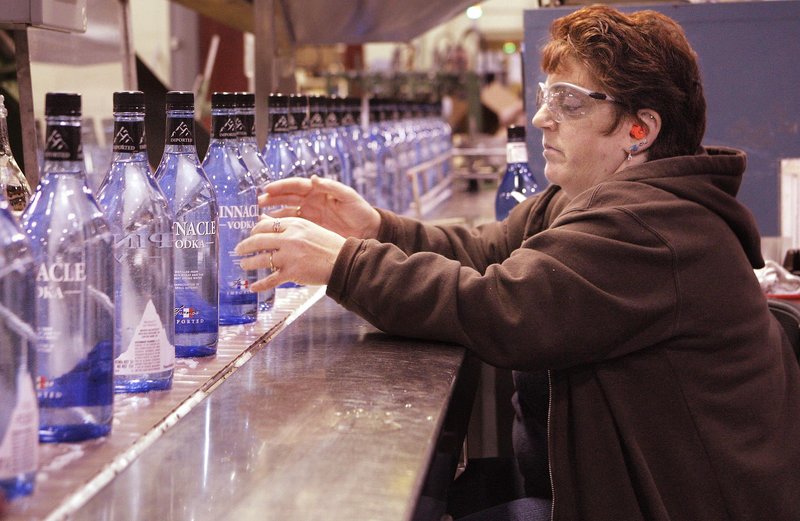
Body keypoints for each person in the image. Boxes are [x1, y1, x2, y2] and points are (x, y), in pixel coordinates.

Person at [236, 5, 800, 520]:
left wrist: (344, 263)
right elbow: (488, 252)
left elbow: (503, 306)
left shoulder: (652, 227)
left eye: (569, 102)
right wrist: (376, 229)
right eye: (545, 95)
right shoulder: (581, 199)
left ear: (640, 130)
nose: (541, 119)